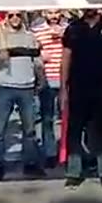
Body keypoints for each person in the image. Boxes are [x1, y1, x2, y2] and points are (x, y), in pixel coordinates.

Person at [62, 8, 102, 187]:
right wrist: (63, 88)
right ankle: (74, 172)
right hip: (78, 87)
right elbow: (66, 58)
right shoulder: (73, 28)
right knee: (74, 129)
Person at [0, 11, 45, 181]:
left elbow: (37, 62)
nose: (15, 18)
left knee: (30, 130)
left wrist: (41, 79)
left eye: (18, 15)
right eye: (11, 15)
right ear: (6, 18)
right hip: (5, 88)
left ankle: (30, 164)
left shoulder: (30, 38)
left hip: (27, 87)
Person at [32, 10, 67, 169]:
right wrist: (40, 56)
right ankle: (50, 153)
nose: (54, 16)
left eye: (56, 13)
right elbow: (32, 53)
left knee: (68, 118)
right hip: (47, 79)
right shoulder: (37, 31)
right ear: (44, 13)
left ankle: (68, 152)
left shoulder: (69, 29)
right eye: (50, 13)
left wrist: (65, 37)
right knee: (47, 119)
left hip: (66, 79)